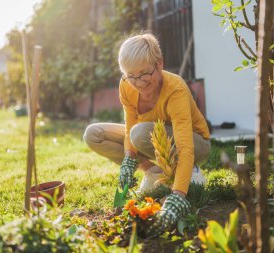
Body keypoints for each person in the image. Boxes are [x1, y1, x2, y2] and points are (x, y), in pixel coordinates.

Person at [83, 33, 211, 237]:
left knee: (139, 133)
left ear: (159, 64)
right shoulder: (126, 85)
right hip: (149, 135)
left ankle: (188, 172)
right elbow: (129, 126)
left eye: (144, 73)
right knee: (94, 134)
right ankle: (154, 171)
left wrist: (178, 196)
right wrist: (128, 158)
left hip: (195, 144)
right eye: (131, 75)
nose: (139, 83)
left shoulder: (175, 89)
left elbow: (185, 145)